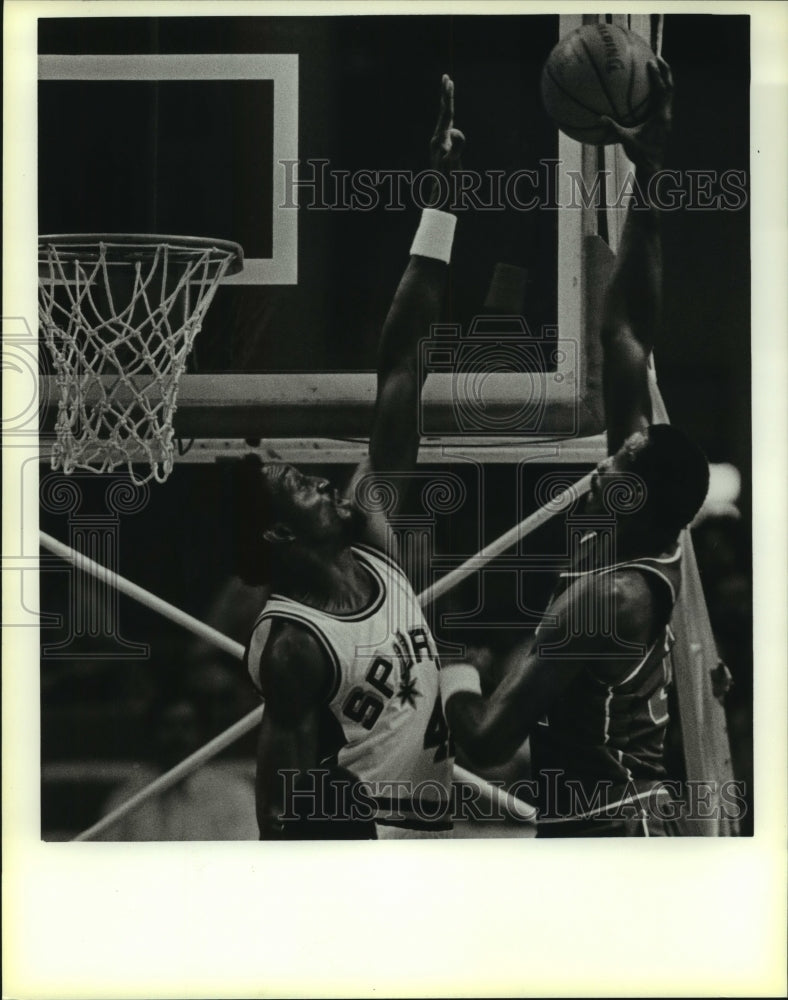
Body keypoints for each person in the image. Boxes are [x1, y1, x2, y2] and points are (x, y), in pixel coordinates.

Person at [439, 58, 710, 836]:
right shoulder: (642, 530)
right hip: (615, 820)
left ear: (637, 499)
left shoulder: (610, 597)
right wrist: (649, 177)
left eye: (617, 467)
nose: (601, 469)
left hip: (612, 833)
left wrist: (453, 664)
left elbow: (486, 743)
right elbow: (625, 332)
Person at [239, 76, 465, 839]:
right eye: (296, 485)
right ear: (277, 536)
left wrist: (440, 210)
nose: (316, 479)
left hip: (433, 836)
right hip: (373, 855)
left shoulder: (370, 538)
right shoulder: (296, 647)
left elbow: (403, 361)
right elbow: (278, 813)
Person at [98, 692, 258, 841]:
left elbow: (243, 861)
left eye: (186, 725)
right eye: (167, 726)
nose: (177, 736)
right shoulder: (127, 799)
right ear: (152, 733)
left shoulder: (236, 796)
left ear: (202, 733)